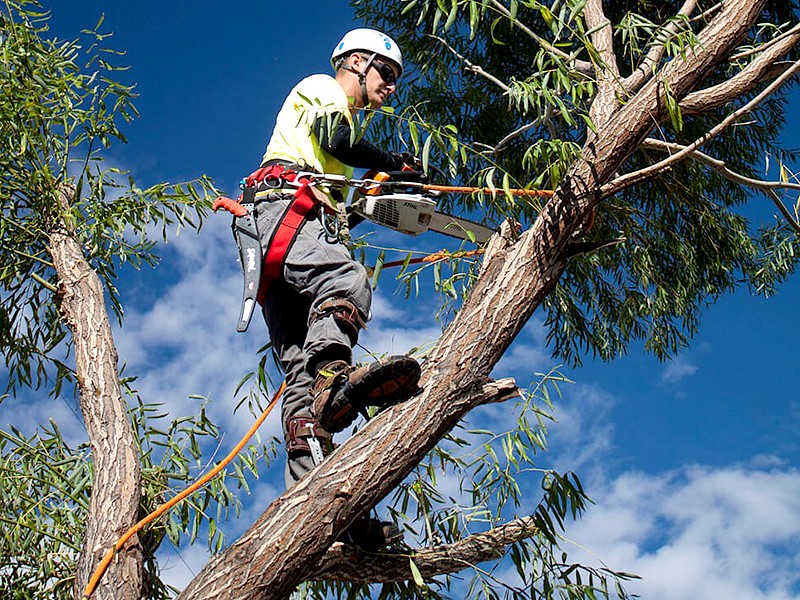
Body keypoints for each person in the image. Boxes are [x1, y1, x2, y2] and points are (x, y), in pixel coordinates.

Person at [254, 29, 421, 549]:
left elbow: (341, 187)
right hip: (285, 208)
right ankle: (335, 377)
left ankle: (314, 510)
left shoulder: (332, 147)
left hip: (280, 236)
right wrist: (396, 162)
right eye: (386, 74)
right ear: (356, 62)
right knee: (347, 278)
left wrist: (382, 184)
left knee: (299, 376)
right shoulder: (325, 90)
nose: (390, 87)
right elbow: (337, 141)